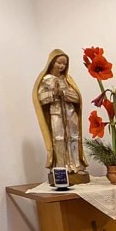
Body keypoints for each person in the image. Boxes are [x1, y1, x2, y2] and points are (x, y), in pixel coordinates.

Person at [33, 48, 88, 177]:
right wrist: (53, 93)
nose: (62, 66)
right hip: (56, 112)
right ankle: (61, 167)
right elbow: (40, 98)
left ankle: (76, 165)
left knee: (74, 138)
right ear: (52, 62)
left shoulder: (68, 80)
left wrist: (65, 94)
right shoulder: (46, 79)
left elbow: (77, 97)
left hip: (70, 113)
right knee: (58, 139)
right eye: (59, 62)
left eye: (64, 63)